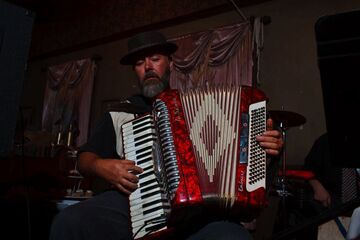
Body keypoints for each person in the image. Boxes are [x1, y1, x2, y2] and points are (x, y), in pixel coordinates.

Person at [49, 31, 284, 240]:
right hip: (132, 202)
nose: (148, 67)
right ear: (135, 71)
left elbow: (242, 161)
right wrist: (101, 166)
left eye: (155, 59)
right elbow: (83, 159)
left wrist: (267, 148)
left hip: (198, 213)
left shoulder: (198, 106)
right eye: (140, 63)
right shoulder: (120, 113)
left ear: (170, 64)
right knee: (69, 222)